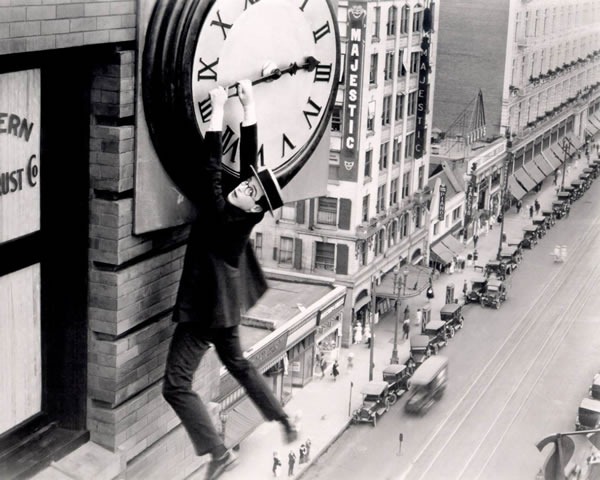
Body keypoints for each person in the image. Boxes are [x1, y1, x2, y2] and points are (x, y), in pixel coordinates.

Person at [162, 81, 299, 480]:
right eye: (247, 183)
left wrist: (218, 111)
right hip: (225, 305)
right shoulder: (247, 212)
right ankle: (282, 418)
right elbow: (248, 168)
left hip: (205, 310)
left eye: (249, 190)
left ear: (255, 204)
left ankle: (219, 454)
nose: (243, 185)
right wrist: (249, 106)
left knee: (176, 385)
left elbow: (211, 169)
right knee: (238, 363)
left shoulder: (223, 215)